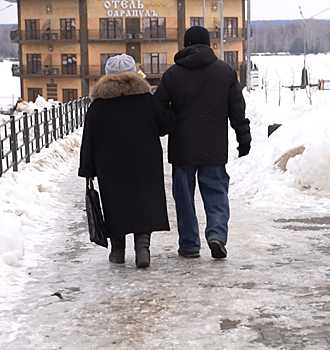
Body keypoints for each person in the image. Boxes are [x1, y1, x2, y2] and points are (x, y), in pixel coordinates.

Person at [154, 26, 251, 260]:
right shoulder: (225, 72)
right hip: (214, 147)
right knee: (216, 193)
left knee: (184, 198)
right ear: (209, 44)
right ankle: (217, 235)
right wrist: (243, 138)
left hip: (182, 148)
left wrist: (167, 126)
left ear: (186, 44)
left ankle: (189, 244)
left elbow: (157, 109)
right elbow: (237, 109)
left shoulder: (172, 74)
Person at [78, 54, 173, 268]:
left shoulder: (99, 106)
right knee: (143, 202)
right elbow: (165, 124)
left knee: (115, 203)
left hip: (110, 165)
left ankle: (117, 251)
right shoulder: (146, 101)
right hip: (144, 161)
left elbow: (89, 139)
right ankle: (143, 250)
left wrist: (87, 168)